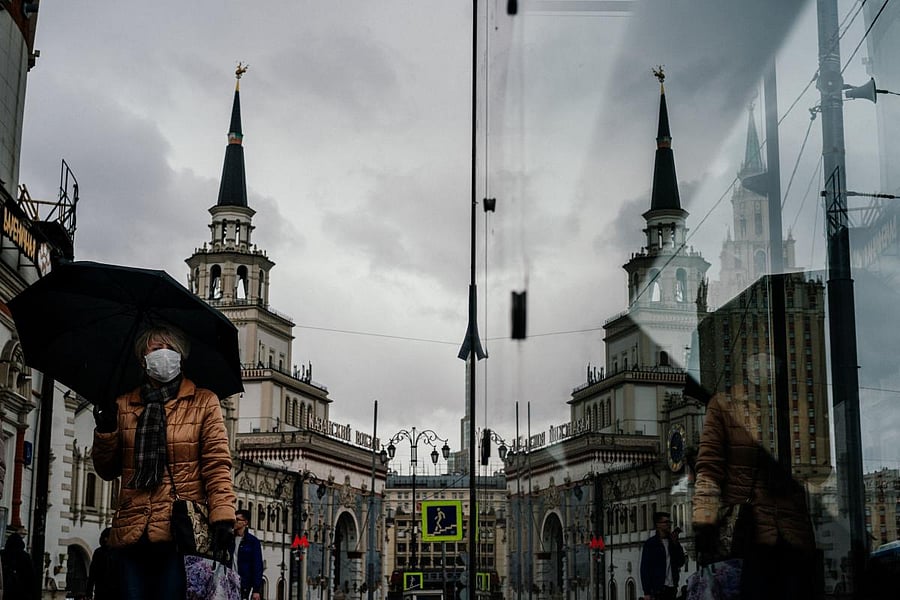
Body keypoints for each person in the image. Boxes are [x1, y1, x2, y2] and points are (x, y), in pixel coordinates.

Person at [92, 325, 236, 600]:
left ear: (181, 356)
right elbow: (106, 469)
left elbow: (217, 464)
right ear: (142, 357)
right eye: (156, 348)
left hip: (179, 533)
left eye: (171, 349)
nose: (164, 354)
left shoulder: (204, 402)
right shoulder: (124, 404)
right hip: (133, 531)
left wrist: (223, 518)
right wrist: (107, 431)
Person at [692, 388, 818, 600]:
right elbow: (709, 468)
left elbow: (816, 465)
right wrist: (705, 521)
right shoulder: (724, 405)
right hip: (751, 535)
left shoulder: (797, 404)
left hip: (792, 535)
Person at [639, 511, 685, 600]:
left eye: (669, 522)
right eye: (666, 522)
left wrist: (676, 544)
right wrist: (647, 592)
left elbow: (681, 562)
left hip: (672, 588)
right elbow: (645, 569)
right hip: (658, 590)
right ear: (658, 525)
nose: (669, 525)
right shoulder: (651, 544)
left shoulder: (672, 542)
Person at [234, 509, 263, 600]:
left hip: (243, 585)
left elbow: (257, 566)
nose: (235, 521)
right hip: (228, 581)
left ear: (245, 522)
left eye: (238, 520)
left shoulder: (253, 542)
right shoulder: (229, 539)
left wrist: (256, 590)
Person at [0, 531, 36, 600]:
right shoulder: (25, 556)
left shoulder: (3, 555)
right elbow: (32, 578)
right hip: (22, 593)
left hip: (6, 592)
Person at [85, 528, 115, 600]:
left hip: (106, 590)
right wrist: (89, 592)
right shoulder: (99, 552)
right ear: (106, 538)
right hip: (104, 590)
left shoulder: (114, 552)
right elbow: (92, 574)